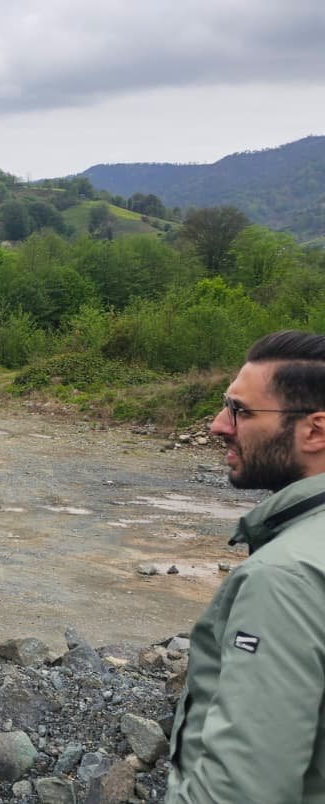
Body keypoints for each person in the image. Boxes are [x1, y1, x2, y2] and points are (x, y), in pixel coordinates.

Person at [166, 330, 325, 803]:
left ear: (315, 431)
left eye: (241, 410)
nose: (219, 425)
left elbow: (242, 790)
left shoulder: (285, 578)